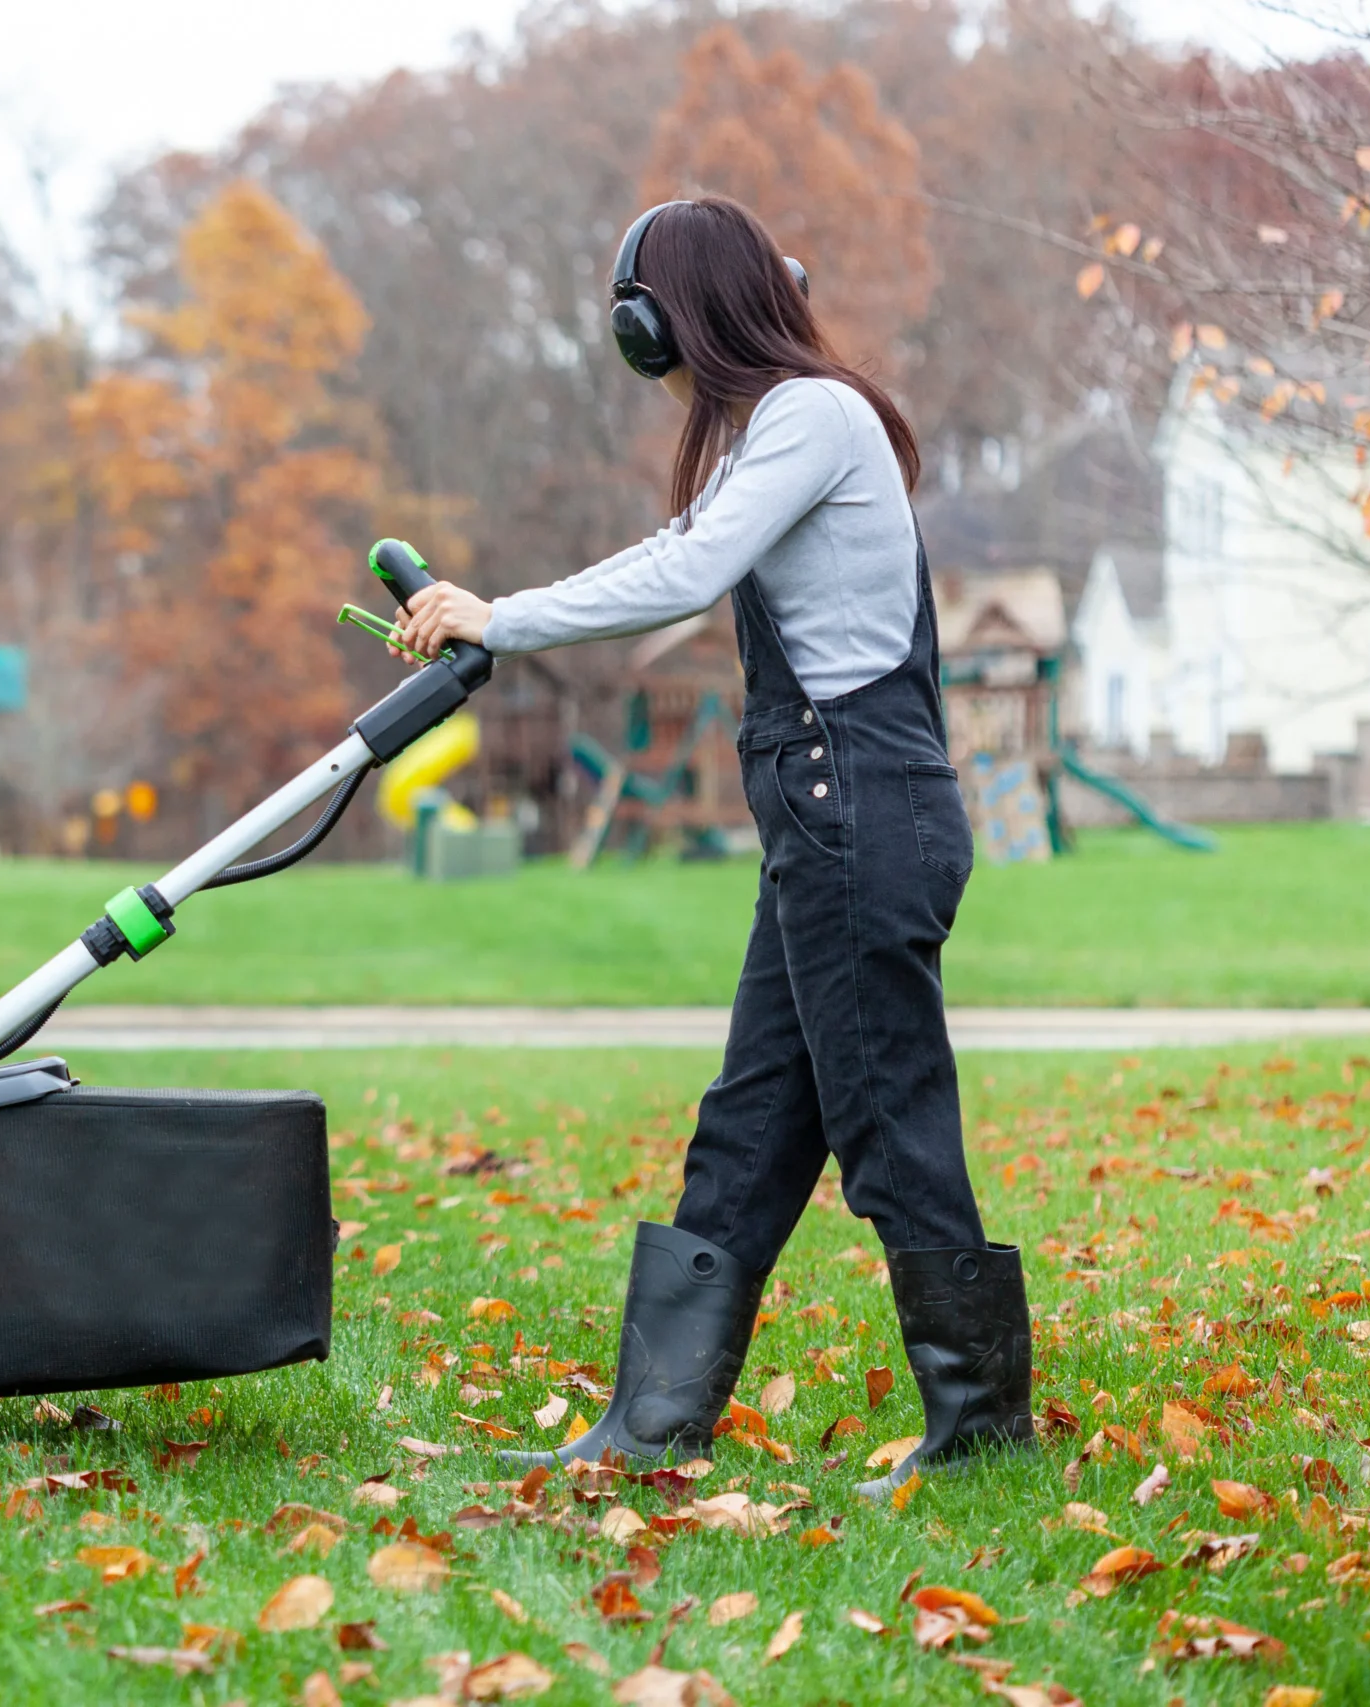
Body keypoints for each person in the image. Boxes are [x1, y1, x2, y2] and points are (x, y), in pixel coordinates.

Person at [392, 196, 1033, 1499]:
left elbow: (685, 569)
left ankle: (982, 1428)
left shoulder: (812, 417)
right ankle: (654, 1419)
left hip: (860, 811)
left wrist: (498, 615)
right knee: (749, 1125)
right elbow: (693, 550)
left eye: (643, 328)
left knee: (889, 1120)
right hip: (827, 820)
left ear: (666, 321)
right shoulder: (778, 428)